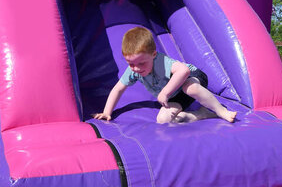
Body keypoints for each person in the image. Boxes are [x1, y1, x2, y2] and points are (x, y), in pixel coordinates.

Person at [93, 27, 237, 123]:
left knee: (190, 88)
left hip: (192, 78)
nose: (135, 68)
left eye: (141, 63)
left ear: (153, 54)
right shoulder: (133, 70)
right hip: (175, 94)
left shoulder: (160, 61)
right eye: (131, 64)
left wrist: (164, 92)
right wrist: (107, 112)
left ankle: (221, 110)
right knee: (163, 120)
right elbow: (118, 89)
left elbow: (183, 71)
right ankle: (202, 114)